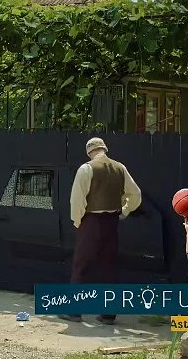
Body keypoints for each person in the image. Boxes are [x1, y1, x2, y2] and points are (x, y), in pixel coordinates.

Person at [59, 137, 142, 325]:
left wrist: (78, 222)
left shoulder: (86, 169)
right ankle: (108, 314)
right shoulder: (120, 168)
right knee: (108, 266)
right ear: (104, 149)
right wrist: (124, 211)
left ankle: (74, 311)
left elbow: (77, 200)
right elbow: (136, 194)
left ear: (89, 152)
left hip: (91, 222)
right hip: (111, 222)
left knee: (81, 265)